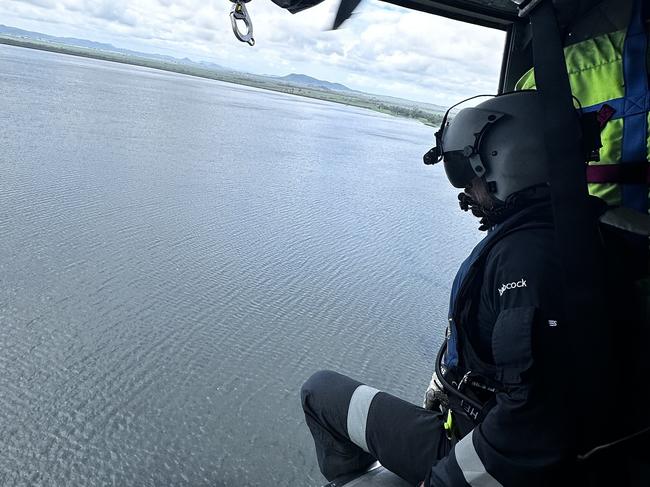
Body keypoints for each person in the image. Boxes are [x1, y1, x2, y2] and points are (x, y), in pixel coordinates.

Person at [300, 91, 610, 486]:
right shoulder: (577, 232)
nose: (465, 190)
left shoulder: (525, 260)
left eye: (468, 171)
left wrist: (444, 479)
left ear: (508, 161)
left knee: (318, 391)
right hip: (486, 428)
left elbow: (529, 425)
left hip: (469, 445)